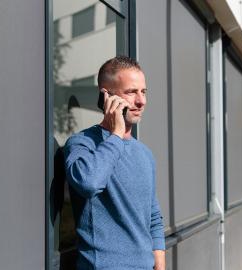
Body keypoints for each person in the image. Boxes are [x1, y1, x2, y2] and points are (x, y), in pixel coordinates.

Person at [63, 56, 165, 270]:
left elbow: (153, 217)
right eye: (131, 92)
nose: (141, 101)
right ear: (106, 97)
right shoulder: (82, 144)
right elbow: (89, 183)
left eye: (143, 92)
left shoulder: (144, 154)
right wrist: (116, 134)